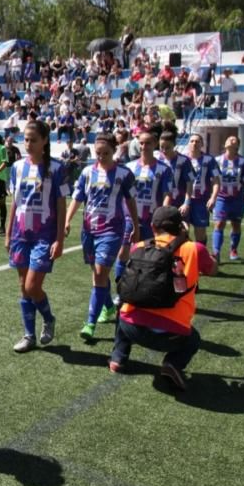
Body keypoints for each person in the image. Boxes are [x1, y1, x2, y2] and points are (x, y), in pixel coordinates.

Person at [109, 206, 217, 390]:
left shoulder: (139, 247)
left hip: (132, 327)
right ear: (180, 227)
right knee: (194, 339)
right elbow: (213, 269)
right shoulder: (193, 249)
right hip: (172, 335)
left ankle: (118, 358)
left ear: (153, 227)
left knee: (124, 306)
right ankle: (172, 364)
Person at [65, 133, 140, 342]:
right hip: (88, 229)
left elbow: (131, 200)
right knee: (98, 274)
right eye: (98, 153)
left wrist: (135, 224)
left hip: (112, 231)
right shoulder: (88, 172)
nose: (101, 157)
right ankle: (108, 306)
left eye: (105, 153)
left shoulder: (123, 174)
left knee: (99, 274)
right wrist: (67, 220)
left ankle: (90, 322)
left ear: (114, 151)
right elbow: (78, 197)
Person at [6, 121, 69, 353]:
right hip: (20, 234)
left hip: (44, 235)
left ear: (44, 141)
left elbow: (61, 205)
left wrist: (59, 239)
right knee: (23, 287)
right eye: (26, 139)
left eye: (33, 139)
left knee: (33, 286)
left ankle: (48, 318)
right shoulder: (17, 167)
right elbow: (15, 202)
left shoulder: (57, 168)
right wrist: (8, 232)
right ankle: (29, 335)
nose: (28, 144)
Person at [110, 130, 174, 319]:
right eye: (141, 143)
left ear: (154, 145)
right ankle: (121, 292)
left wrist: (162, 215)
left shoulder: (164, 169)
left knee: (151, 256)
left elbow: (167, 193)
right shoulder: (129, 167)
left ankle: (148, 292)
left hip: (152, 220)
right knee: (123, 253)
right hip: (130, 217)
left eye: (148, 143)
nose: (144, 146)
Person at [213, 135, 244, 261]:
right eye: (228, 138)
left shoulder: (243, 162)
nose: (230, 140)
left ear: (237, 146)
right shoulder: (217, 160)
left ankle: (233, 249)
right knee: (219, 223)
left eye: (234, 139)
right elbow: (211, 179)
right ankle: (216, 253)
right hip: (221, 198)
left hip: (237, 199)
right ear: (225, 144)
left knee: (236, 224)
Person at [183, 133, 220, 245]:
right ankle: (184, 259)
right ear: (188, 143)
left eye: (197, 141)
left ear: (202, 144)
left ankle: (201, 257)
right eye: (192, 141)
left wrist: (213, 198)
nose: (194, 143)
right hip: (184, 201)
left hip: (201, 201)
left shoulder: (209, 160)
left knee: (200, 233)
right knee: (183, 231)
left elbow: (216, 181)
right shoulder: (182, 159)